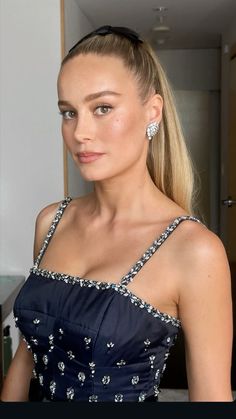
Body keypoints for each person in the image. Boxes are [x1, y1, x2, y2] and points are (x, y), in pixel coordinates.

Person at [1, 25, 233, 402]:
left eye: (103, 108)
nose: (80, 132)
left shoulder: (194, 251)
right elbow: (25, 359)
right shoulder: (51, 221)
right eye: (68, 112)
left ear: (152, 111)